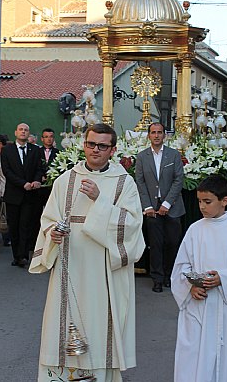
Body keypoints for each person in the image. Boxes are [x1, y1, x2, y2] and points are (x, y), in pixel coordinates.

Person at [29, 123, 145, 381]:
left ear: (112, 150)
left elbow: (133, 225)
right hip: (69, 268)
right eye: (91, 144)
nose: (95, 150)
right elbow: (48, 219)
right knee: (65, 320)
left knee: (99, 326)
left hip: (104, 272)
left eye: (102, 146)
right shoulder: (64, 181)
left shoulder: (123, 183)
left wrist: (99, 200)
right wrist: (52, 235)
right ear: (84, 145)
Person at [171, 175, 227, 382]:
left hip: (224, 304)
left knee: (223, 354)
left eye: (207, 202)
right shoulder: (195, 229)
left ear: (224, 201)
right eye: (199, 201)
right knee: (192, 355)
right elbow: (182, 266)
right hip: (197, 304)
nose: (202, 206)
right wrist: (190, 287)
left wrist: (223, 278)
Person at [135, 122, 185, 293]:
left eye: (159, 132)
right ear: (148, 136)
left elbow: (179, 180)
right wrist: (147, 206)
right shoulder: (142, 157)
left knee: (172, 243)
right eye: (153, 132)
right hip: (151, 209)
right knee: (155, 245)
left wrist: (166, 204)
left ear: (165, 135)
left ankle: (169, 276)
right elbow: (140, 182)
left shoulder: (174, 155)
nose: (156, 135)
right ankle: (156, 278)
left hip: (172, 208)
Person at [1, 123, 44, 267]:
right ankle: (16, 255)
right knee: (13, 227)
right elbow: (7, 171)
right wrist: (22, 183)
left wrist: (37, 180)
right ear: (15, 132)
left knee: (25, 226)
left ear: (29, 134)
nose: (23, 132)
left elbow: (39, 168)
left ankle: (24, 256)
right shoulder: (7, 150)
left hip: (30, 195)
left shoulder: (35, 150)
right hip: (13, 194)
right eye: (21, 129)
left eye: (26, 130)